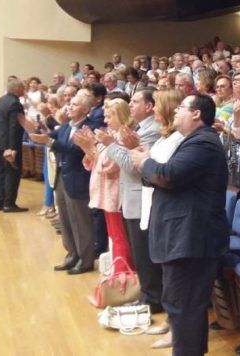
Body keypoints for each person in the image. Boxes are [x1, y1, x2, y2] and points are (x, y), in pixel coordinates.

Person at [132, 93, 228, 356]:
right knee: (179, 303)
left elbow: (168, 174)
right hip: (183, 237)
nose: (175, 112)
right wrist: (150, 166)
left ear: (197, 114)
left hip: (192, 239)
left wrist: (146, 162)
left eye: (182, 108)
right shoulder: (192, 141)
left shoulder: (203, 143)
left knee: (184, 306)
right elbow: (165, 176)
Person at [99, 88, 165, 319]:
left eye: (136, 101)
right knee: (138, 252)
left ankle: (152, 297)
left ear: (149, 106)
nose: (132, 105)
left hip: (141, 197)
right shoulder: (139, 128)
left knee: (143, 252)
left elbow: (134, 166)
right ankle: (147, 293)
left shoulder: (151, 131)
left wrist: (110, 144)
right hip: (131, 196)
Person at [30, 94, 96, 274]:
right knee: (65, 219)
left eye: (74, 104)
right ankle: (72, 254)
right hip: (62, 177)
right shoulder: (66, 126)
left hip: (78, 178)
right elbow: (51, 136)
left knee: (80, 221)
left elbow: (76, 151)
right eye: (69, 104)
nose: (69, 107)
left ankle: (85, 259)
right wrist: (40, 132)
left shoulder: (91, 126)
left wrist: (50, 141)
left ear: (85, 109)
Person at [75, 98, 135, 282]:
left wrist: (91, 148)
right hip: (105, 194)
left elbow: (109, 167)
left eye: (110, 116)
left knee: (119, 237)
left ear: (121, 115)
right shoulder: (109, 135)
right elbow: (91, 163)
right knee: (114, 235)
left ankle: (123, 276)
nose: (106, 120)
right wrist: (88, 150)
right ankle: (119, 272)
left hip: (116, 194)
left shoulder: (123, 137)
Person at [0, 78, 28, 212]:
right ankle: (9, 204)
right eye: (23, 88)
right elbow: (14, 127)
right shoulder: (14, 104)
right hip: (8, 145)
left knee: (0, 173)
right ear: (16, 89)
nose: (24, 90)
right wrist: (12, 148)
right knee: (12, 173)